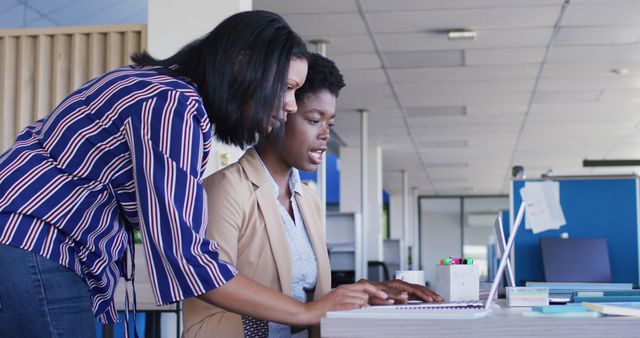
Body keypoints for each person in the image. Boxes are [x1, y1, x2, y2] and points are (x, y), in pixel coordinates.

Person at [0, 11, 387, 338]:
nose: (288, 106)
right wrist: (305, 312)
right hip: (33, 242)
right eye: (286, 88)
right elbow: (185, 258)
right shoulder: (175, 106)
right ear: (242, 64)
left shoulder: (160, 90)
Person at [183, 53, 443, 338]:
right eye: (313, 119)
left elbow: (309, 300)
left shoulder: (308, 201)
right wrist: (311, 312)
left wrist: (364, 293)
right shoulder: (225, 188)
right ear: (278, 113)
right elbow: (208, 294)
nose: (324, 134)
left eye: (329, 124)